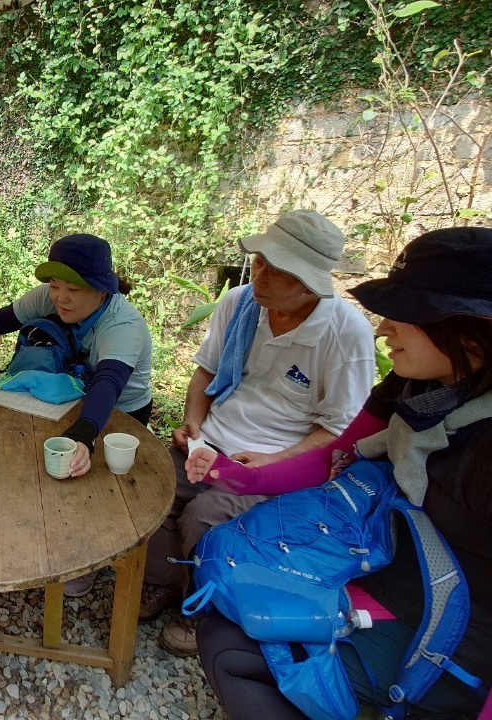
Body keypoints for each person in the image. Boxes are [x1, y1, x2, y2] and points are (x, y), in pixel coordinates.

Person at [194, 226, 492, 720]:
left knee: (235, 650)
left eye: (404, 313)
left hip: (446, 628)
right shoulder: (419, 383)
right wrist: (239, 477)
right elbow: (337, 452)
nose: (384, 329)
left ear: (470, 330)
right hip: (376, 554)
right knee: (229, 598)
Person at [141, 210, 376, 657]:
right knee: (151, 490)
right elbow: (206, 372)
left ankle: (204, 609)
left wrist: (273, 463)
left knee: (205, 518)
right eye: (260, 261)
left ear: (310, 285)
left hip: (275, 463)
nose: (260, 276)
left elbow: (338, 431)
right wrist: (194, 423)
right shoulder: (241, 303)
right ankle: (165, 581)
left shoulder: (345, 334)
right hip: (211, 442)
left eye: (277, 271)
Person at [0, 233, 152, 596]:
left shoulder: (122, 325)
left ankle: (91, 555)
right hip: (73, 392)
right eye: (54, 285)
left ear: (102, 290)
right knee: (52, 469)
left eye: (73, 289)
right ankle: (44, 534)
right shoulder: (49, 297)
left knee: (99, 482)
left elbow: (108, 382)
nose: (60, 297)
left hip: (121, 408)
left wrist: (84, 434)